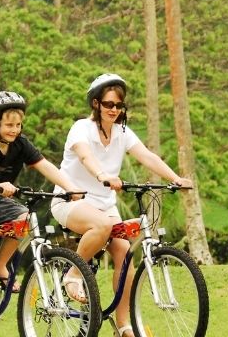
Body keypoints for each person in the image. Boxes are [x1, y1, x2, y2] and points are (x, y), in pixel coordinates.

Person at [50, 74, 192, 337]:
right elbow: (85, 155)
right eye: (108, 104)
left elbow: (147, 156)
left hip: (104, 206)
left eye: (118, 106)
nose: (114, 110)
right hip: (71, 202)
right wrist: (102, 175)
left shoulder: (122, 132)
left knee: (124, 253)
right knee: (103, 225)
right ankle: (73, 274)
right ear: (95, 104)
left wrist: (175, 179)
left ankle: (123, 324)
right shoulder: (82, 128)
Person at [0, 91, 84, 337]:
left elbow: (45, 165)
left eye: (18, 125)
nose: (14, 129)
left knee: (23, 216)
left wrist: (69, 187)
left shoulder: (21, 144)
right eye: (9, 124)